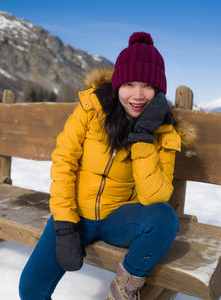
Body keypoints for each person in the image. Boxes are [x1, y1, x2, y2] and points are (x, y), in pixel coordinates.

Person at [19, 32, 191, 300]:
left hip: (118, 218)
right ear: (117, 85)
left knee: (164, 218)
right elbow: (64, 162)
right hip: (75, 213)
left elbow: (154, 197)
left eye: (147, 85)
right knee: (30, 289)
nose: (137, 95)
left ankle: (124, 290)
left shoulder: (164, 131)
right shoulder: (91, 109)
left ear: (158, 91)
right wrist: (65, 225)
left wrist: (143, 137)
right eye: (130, 84)